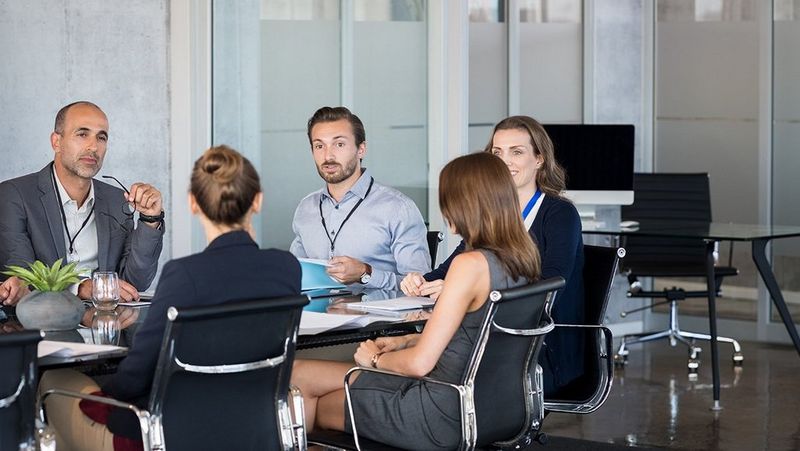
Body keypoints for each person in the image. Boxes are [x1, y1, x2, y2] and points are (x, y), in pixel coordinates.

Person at [38, 145, 302, 450]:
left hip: (169, 435)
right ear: (257, 201)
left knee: (53, 380)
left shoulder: (184, 275)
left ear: (192, 203)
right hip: (256, 428)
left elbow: (137, 375)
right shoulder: (286, 268)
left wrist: (106, 389)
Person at [292, 152, 541, 449]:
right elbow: (469, 336)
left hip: (436, 410)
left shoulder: (470, 265)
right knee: (304, 376)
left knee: (304, 389)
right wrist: (403, 342)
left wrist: (374, 360)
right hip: (493, 407)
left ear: (464, 204)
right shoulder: (523, 257)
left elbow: (419, 364)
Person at [400, 115, 585, 395]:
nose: (505, 161)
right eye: (497, 152)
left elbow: (550, 286)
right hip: (490, 341)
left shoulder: (559, 214)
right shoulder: (492, 218)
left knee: (415, 370)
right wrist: (419, 282)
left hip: (540, 347)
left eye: (517, 152)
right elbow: (446, 272)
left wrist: (458, 293)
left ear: (540, 159)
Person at [0, 101, 164, 306]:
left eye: (101, 137)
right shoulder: (14, 195)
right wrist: (80, 287)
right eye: (82, 134)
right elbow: (22, 278)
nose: (93, 146)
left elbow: (135, 282)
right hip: (41, 326)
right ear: (56, 142)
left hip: (106, 326)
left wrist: (150, 220)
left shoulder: (116, 199)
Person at [290, 106, 430, 290]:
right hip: (315, 315)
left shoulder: (397, 208)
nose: (328, 155)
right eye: (319, 146)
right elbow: (293, 276)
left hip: (376, 318)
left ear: (361, 149)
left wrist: (366, 273)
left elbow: (421, 286)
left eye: (339, 144)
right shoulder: (306, 208)